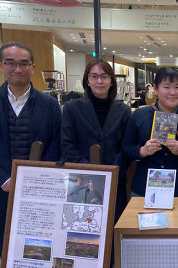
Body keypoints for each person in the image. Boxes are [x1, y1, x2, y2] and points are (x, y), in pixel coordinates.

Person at [0, 42, 61, 255]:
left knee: (41, 242)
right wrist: (3, 180)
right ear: (2, 66)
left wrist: (39, 177)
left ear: (33, 67)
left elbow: (57, 142)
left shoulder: (49, 105)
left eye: (24, 64)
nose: (18, 69)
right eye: (11, 63)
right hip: (4, 187)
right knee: (7, 239)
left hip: (41, 187)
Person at [122, 67, 178, 197]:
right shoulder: (140, 115)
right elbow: (126, 148)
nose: (172, 92)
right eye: (167, 87)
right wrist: (143, 151)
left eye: (177, 87)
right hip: (145, 189)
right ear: (156, 89)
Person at [61, 59, 130, 220]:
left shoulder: (124, 110)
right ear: (87, 80)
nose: (99, 81)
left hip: (115, 180)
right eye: (94, 76)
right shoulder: (72, 108)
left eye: (104, 76)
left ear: (111, 81)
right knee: (83, 230)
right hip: (81, 181)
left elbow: (126, 147)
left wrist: (113, 172)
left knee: (113, 229)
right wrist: (91, 172)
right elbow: (67, 145)